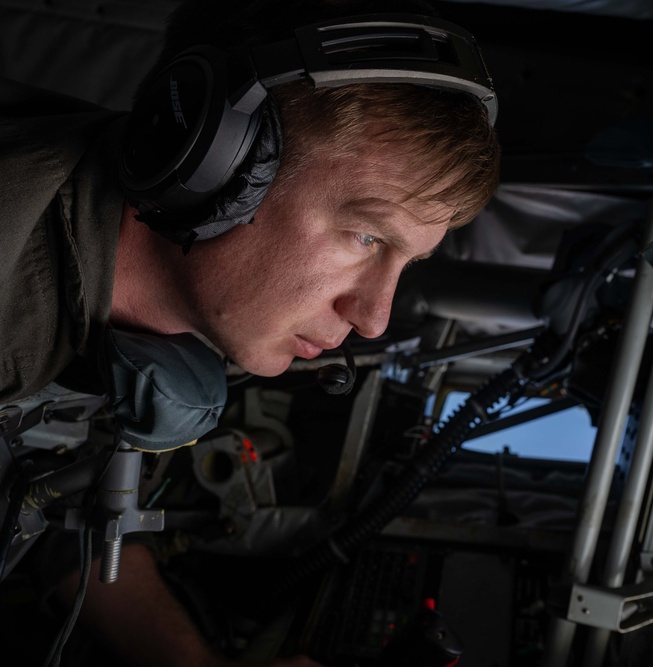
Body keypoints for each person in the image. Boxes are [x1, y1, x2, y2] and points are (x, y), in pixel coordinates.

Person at [1, 0, 500, 664]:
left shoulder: (171, 322)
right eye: (366, 235)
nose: (374, 316)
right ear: (216, 159)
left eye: (406, 262)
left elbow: (57, 522)